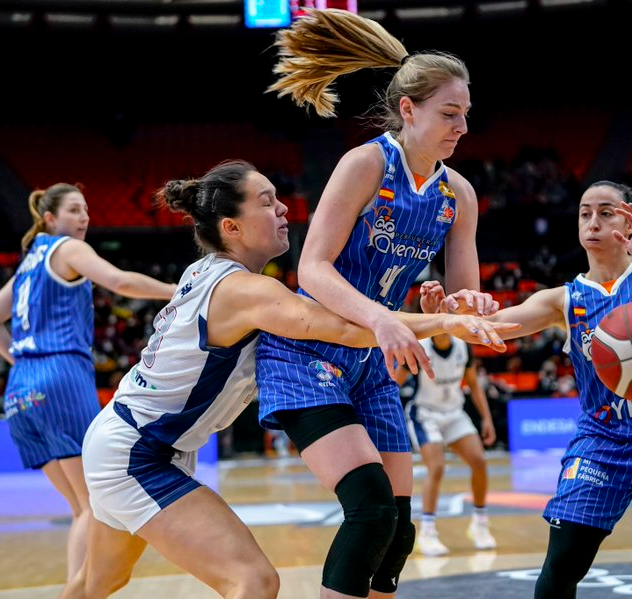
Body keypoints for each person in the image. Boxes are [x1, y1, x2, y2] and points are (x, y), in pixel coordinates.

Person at [59, 160, 518, 599]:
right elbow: (343, 330)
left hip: (126, 440)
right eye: (266, 201)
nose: (282, 208)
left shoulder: (208, 272)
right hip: (138, 454)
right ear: (231, 227)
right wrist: (442, 325)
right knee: (255, 583)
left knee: (98, 584)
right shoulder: (244, 290)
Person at [259, 9, 496, 598]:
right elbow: (310, 268)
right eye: (449, 113)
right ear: (408, 109)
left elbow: (463, 296)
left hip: (372, 358)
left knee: (396, 536)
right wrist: (384, 315)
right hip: (306, 349)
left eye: (465, 114)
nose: (461, 126)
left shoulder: (457, 194)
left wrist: (467, 305)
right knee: (369, 514)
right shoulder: (366, 164)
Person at [486, 181, 632, 599]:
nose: (593, 222)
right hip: (605, 437)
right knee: (565, 557)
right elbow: (493, 329)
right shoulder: (565, 299)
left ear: (630, 222)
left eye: (606, 212)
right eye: (584, 213)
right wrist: (447, 316)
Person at [0, 182, 176, 584]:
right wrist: (176, 291)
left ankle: (76, 589)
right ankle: (79, 594)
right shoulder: (67, 249)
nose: (83, 218)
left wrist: (26, 363)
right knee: (93, 505)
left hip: (20, 389)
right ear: (50, 219)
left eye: (85, 210)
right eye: (73, 210)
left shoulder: (29, 264)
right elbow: (118, 282)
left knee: (81, 509)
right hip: (61, 378)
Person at [394, 331, 497, 556]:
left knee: (479, 461)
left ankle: (479, 524)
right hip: (425, 414)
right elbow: (393, 382)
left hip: (454, 413)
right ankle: (427, 532)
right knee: (437, 467)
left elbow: (473, 383)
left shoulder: (463, 347)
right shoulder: (418, 346)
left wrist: (486, 418)